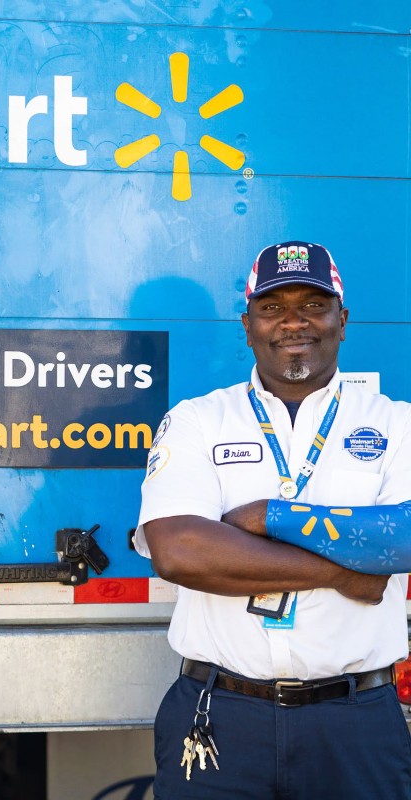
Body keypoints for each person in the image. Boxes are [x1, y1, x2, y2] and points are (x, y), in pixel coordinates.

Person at [134, 240, 411, 799]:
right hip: (219, 713)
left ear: (342, 320)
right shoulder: (197, 421)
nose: (292, 322)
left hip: (355, 721)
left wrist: (270, 516)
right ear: (248, 324)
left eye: (312, 305)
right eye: (272, 307)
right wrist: (343, 569)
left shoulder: (397, 424)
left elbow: (403, 539)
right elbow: (179, 550)